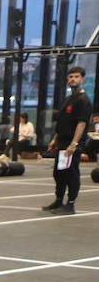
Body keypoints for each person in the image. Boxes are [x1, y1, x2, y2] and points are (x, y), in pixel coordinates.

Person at [44, 66, 92, 214]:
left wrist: (74, 144)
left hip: (72, 143)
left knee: (71, 173)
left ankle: (70, 204)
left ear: (82, 79)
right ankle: (58, 201)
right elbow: (63, 122)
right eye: (71, 77)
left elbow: (81, 123)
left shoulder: (83, 100)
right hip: (62, 142)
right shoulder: (68, 99)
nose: (73, 79)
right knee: (59, 173)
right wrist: (55, 139)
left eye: (76, 77)